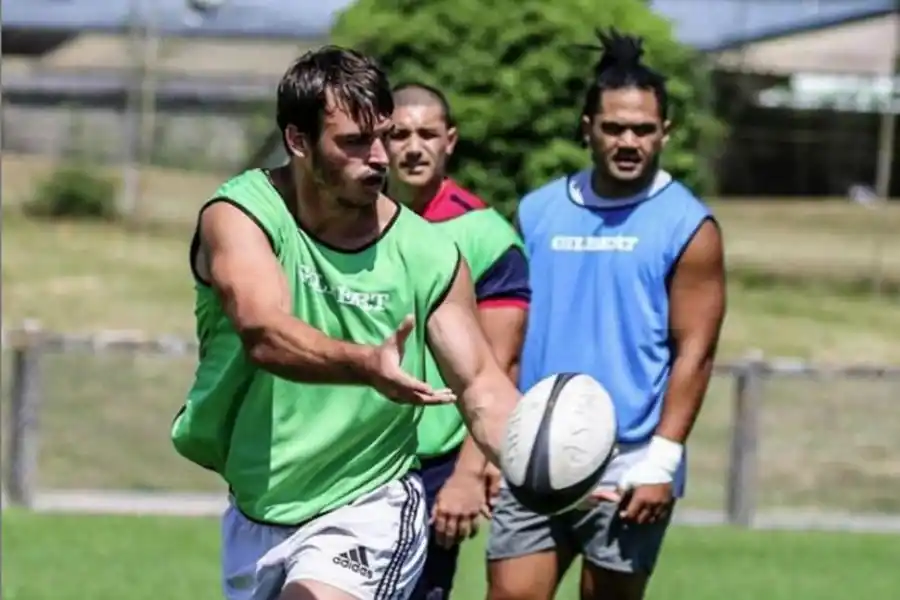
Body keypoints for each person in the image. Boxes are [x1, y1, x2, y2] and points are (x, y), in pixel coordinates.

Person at [170, 46, 521, 600]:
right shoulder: (242, 215)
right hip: (259, 507)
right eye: (355, 142)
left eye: (382, 135)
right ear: (299, 141)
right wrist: (366, 364)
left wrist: (541, 453)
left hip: (370, 504)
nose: (380, 157)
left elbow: (479, 382)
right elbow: (264, 332)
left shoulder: (429, 252)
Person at [485, 30, 727, 600]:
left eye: (643, 129)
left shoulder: (690, 226)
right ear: (587, 127)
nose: (628, 140)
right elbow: (509, 333)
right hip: (535, 448)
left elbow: (696, 351)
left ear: (664, 133)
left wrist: (662, 462)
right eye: (614, 127)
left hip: (630, 463)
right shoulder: (537, 210)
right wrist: (497, 442)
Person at [386, 83, 530, 600]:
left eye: (427, 133)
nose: (413, 146)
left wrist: (469, 473)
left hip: (435, 463)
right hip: (354, 457)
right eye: (399, 133)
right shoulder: (347, 223)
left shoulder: (487, 237)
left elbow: (499, 363)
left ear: (450, 139)